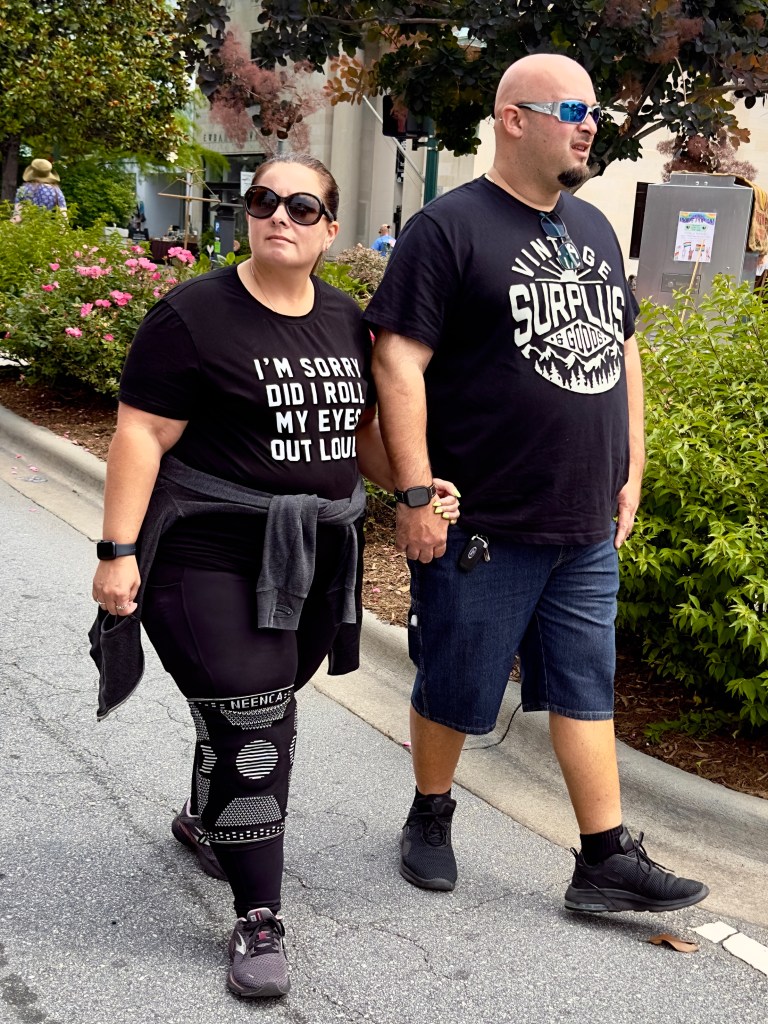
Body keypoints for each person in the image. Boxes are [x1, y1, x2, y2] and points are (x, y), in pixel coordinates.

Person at [88, 154, 459, 1000]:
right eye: (263, 201)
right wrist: (116, 551)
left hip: (313, 559)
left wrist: (415, 484)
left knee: (259, 699)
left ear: (331, 229)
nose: (279, 216)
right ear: (247, 215)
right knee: (258, 721)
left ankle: (206, 818)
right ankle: (259, 916)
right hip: (205, 554)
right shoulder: (191, 317)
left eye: (301, 205)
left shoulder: (345, 320)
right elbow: (141, 434)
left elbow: (353, 439)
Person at [366, 54, 709, 915]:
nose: (590, 126)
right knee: (456, 682)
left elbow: (623, 348)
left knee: (586, 687)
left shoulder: (593, 227)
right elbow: (398, 362)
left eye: (594, 113)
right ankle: (430, 812)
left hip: (584, 520)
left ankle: (603, 858)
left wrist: (632, 465)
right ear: (514, 118)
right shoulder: (447, 229)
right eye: (571, 110)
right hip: (485, 519)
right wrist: (414, 494)